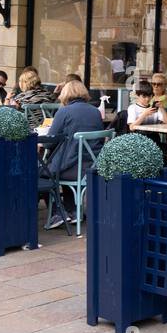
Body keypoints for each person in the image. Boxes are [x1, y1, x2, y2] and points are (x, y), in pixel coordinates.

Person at [40, 79, 105, 229]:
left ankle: (58, 211)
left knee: (43, 173)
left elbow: (49, 143)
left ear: (66, 93)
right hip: (92, 165)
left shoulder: (64, 111)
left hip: (71, 167)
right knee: (61, 165)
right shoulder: (95, 111)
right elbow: (100, 139)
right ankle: (73, 211)